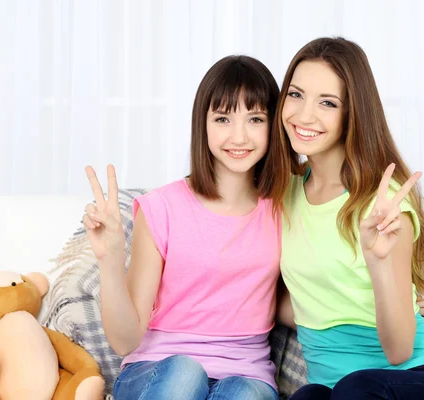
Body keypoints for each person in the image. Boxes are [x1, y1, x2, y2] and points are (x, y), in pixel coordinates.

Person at [272, 37, 424, 399]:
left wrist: (380, 267)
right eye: (296, 95)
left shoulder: (382, 204)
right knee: (308, 397)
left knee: (356, 388)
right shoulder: (283, 194)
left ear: (353, 114)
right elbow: (292, 298)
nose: (304, 115)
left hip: (417, 380)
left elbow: (399, 351)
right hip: (337, 390)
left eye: (327, 103)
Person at [82, 55, 286, 400]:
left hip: (247, 372)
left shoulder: (284, 209)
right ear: (202, 124)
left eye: (255, 119)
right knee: (185, 373)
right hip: (158, 369)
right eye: (223, 118)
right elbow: (124, 340)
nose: (239, 136)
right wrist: (111, 261)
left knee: (243, 394)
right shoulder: (161, 208)